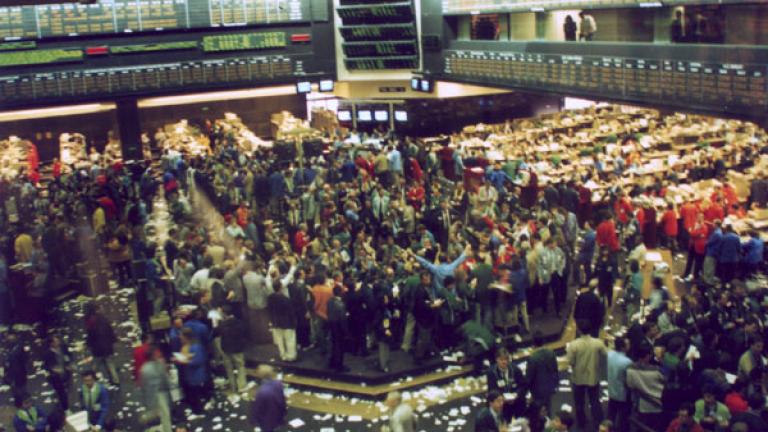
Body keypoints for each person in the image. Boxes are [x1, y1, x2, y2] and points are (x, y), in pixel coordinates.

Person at [566, 328, 606, 428]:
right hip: (593, 377)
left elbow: (570, 361)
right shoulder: (598, 343)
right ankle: (598, 422)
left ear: (579, 331)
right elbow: (605, 354)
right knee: (594, 400)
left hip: (578, 378)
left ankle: (581, 423)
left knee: (579, 402)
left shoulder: (573, 344)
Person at [173, 327, 208, 414]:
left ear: (186, 337)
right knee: (192, 395)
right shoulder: (187, 346)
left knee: (195, 395)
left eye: (181, 336)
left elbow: (198, 361)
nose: (180, 337)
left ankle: (199, 411)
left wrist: (183, 361)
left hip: (195, 375)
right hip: (190, 375)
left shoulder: (195, 347)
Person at [84, 303, 120, 385]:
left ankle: (92, 378)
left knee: (96, 364)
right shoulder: (103, 319)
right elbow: (110, 331)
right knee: (110, 363)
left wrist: (88, 346)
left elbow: (90, 336)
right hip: (107, 347)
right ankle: (116, 380)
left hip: (97, 349)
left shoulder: (91, 322)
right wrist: (114, 341)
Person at [139, 346, 173, 432]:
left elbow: (143, 385)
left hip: (150, 396)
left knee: (156, 414)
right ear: (153, 355)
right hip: (160, 394)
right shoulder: (159, 365)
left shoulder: (143, 369)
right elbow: (165, 380)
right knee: (165, 416)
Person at [216, 307, 249, 395]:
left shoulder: (222, 324)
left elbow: (216, 333)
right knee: (240, 366)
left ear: (224, 314)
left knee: (229, 368)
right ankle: (242, 386)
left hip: (226, 349)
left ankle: (233, 386)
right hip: (238, 349)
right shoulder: (239, 322)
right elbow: (245, 333)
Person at [487, 347, 526, 419]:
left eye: (506, 359)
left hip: (517, 402)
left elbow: (523, 386)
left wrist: (516, 394)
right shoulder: (491, 372)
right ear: (497, 359)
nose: (504, 362)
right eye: (501, 359)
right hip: (502, 405)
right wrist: (502, 398)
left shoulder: (515, 369)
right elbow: (492, 390)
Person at [526, 331, 558, 415]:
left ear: (533, 343)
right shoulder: (551, 352)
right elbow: (555, 370)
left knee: (538, 411)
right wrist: (555, 384)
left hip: (537, 390)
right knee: (548, 408)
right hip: (549, 386)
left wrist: (527, 389)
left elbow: (529, 377)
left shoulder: (532, 358)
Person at [250, 365, 286, 432]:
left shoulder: (262, 391)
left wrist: (253, 420)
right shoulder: (278, 384)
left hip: (266, 419)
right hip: (278, 415)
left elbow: (258, 408)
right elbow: (282, 400)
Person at [606, 337, 632, 432]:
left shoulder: (609, 354)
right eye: (628, 344)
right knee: (623, 417)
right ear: (623, 348)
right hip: (623, 393)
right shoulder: (627, 361)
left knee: (611, 414)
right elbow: (629, 379)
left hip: (611, 389)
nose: (630, 345)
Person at [43, 334, 73, 412]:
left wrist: (68, 364)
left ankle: (64, 403)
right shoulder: (48, 354)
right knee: (61, 392)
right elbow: (46, 366)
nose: (58, 342)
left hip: (66, 373)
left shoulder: (63, 347)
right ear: (51, 344)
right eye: (56, 341)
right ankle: (66, 408)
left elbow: (69, 355)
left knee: (67, 389)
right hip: (56, 377)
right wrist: (53, 370)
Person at [327, 285, 348, 372]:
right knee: (340, 347)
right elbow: (342, 320)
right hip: (339, 327)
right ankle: (339, 366)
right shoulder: (341, 305)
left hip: (332, 325)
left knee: (334, 345)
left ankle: (332, 362)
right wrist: (346, 332)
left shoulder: (330, 301)